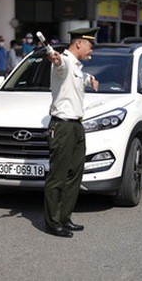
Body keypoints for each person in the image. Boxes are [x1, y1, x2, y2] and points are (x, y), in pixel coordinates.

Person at [44, 27, 99, 238]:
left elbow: (79, 77)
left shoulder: (77, 66)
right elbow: (59, 65)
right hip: (63, 126)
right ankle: (53, 222)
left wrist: (90, 79)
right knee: (58, 176)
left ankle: (65, 217)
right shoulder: (64, 62)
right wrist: (55, 59)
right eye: (89, 44)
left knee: (75, 175)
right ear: (78, 44)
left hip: (76, 125)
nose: (91, 48)